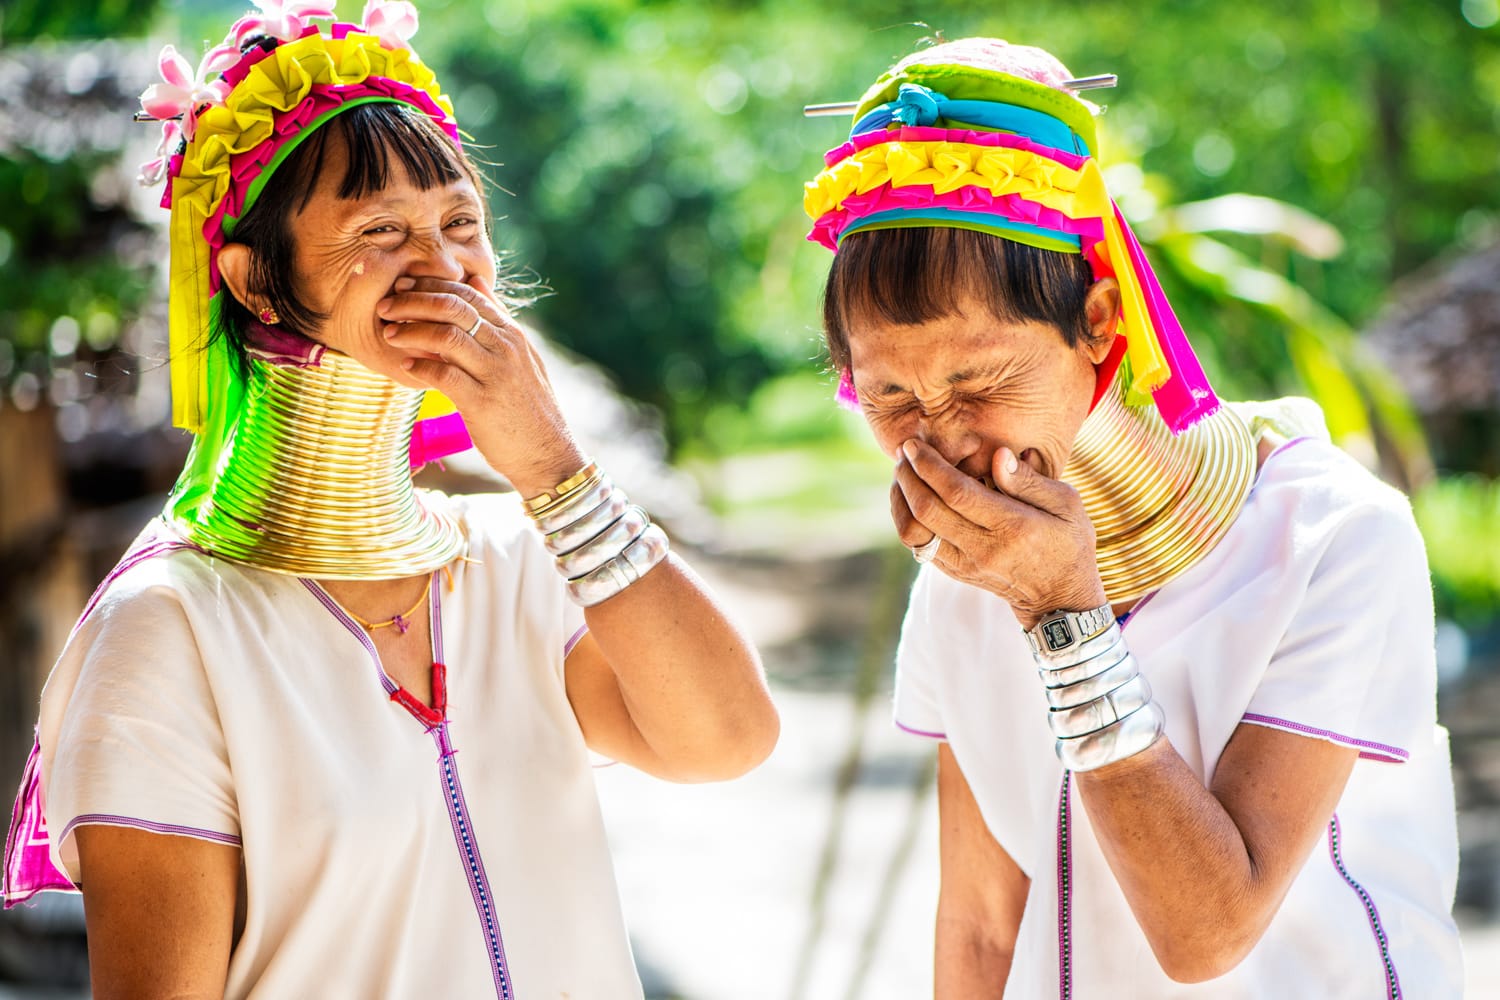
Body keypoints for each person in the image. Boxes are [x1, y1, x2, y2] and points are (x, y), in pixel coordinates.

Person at [1, 3, 778, 997]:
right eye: (381, 229)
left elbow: (727, 739)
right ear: (254, 284)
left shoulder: (516, 563)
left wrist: (551, 466)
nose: (444, 265)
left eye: (461, 222)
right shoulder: (173, 630)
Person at [801, 37, 1461, 997]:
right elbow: (984, 922)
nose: (941, 440)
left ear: (1102, 317)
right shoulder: (960, 579)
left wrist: (1061, 616)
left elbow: (1208, 935)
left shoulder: (1333, 537)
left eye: (982, 379)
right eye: (890, 398)